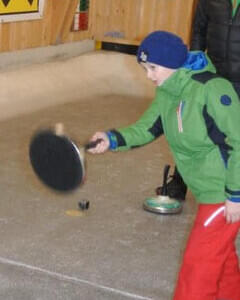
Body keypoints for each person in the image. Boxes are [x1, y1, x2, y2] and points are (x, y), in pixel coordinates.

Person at [88, 31, 240, 300]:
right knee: (220, 255)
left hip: (226, 189)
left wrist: (235, 194)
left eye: (153, 68)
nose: (149, 75)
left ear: (172, 63)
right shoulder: (168, 93)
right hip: (208, 190)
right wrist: (111, 139)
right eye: (145, 68)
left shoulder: (211, 89)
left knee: (198, 264)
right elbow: (146, 129)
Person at [156, 0, 240, 201]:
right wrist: (193, 69)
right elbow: (199, 32)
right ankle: (179, 182)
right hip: (213, 76)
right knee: (193, 129)